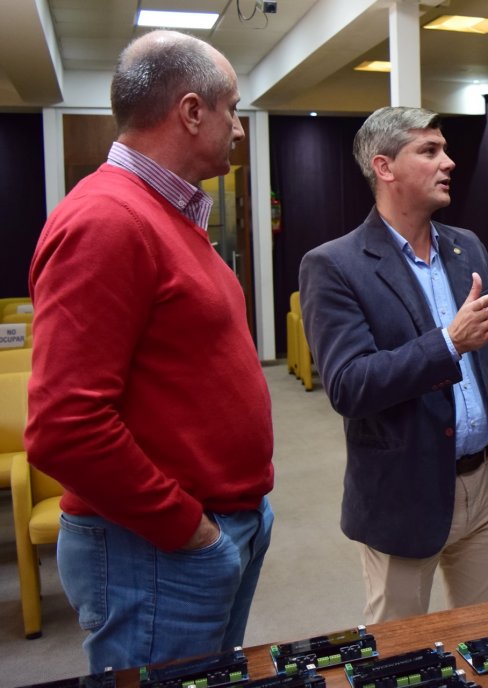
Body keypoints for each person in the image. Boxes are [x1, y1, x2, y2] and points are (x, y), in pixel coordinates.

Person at [25, 31, 274, 671]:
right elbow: (65, 428)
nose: (241, 129)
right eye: (233, 110)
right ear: (192, 112)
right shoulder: (107, 220)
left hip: (209, 531)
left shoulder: (168, 215)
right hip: (156, 548)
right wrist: (190, 531)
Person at [299, 106, 488, 623]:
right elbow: (349, 385)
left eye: (445, 149)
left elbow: (486, 360)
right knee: (400, 656)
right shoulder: (334, 265)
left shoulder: (466, 247)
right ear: (385, 167)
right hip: (403, 491)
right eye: (429, 151)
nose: (449, 162)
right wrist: (448, 342)